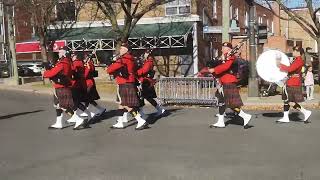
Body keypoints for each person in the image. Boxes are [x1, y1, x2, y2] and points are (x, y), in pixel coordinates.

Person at [208, 42, 252, 129]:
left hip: (229, 82)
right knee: (222, 102)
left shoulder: (231, 57)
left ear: (228, 49)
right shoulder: (223, 57)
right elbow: (217, 63)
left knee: (231, 104)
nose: (222, 49)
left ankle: (245, 116)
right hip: (223, 82)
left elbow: (226, 67)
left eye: (224, 48)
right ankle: (220, 122)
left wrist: (214, 69)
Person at [107, 43, 148, 130]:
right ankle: (120, 122)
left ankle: (140, 120)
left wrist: (110, 64)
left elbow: (109, 70)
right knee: (121, 104)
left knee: (126, 104)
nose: (120, 50)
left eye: (122, 48)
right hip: (129, 82)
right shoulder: (131, 59)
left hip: (124, 83)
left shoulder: (123, 59)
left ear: (126, 50)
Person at [43, 48, 87, 130]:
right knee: (57, 105)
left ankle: (79, 120)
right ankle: (58, 122)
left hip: (61, 87)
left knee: (64, 106)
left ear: (63, 54)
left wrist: (45, 72)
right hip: (60, 86)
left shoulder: (63, 63)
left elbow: (51, 73)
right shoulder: (67, 62)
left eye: (60, 52)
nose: (58, 53)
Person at [277, 46, 312, 123]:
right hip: (290, 82)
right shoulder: (296, 60)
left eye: (294, 51)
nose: (293, 52)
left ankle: (305, 112)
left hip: (293, 83)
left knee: (290, 102)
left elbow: (290, 69)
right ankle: (285, 117)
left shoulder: (299, 61)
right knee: (286, 101)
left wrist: (280, 65)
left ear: (298, 52)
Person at [137, 49, 165, 117]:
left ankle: (141, 113)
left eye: (145, 53)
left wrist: (136, 72)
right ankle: (160, 109)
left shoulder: (149, 62)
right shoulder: (147, 61)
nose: (144, 55)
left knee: (142, 97)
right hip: (146, 81)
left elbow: (143, 71)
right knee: (147, 97)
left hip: (146, 82)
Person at [83, 52, 106, 119]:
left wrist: (87, 67)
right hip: (86, 83)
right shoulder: (86, 63)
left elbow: (87, 73)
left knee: (86, 98)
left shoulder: (89, 63)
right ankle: (100, 109)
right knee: (89, 99)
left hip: (89, 83)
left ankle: (86, 112)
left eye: (85, 56)